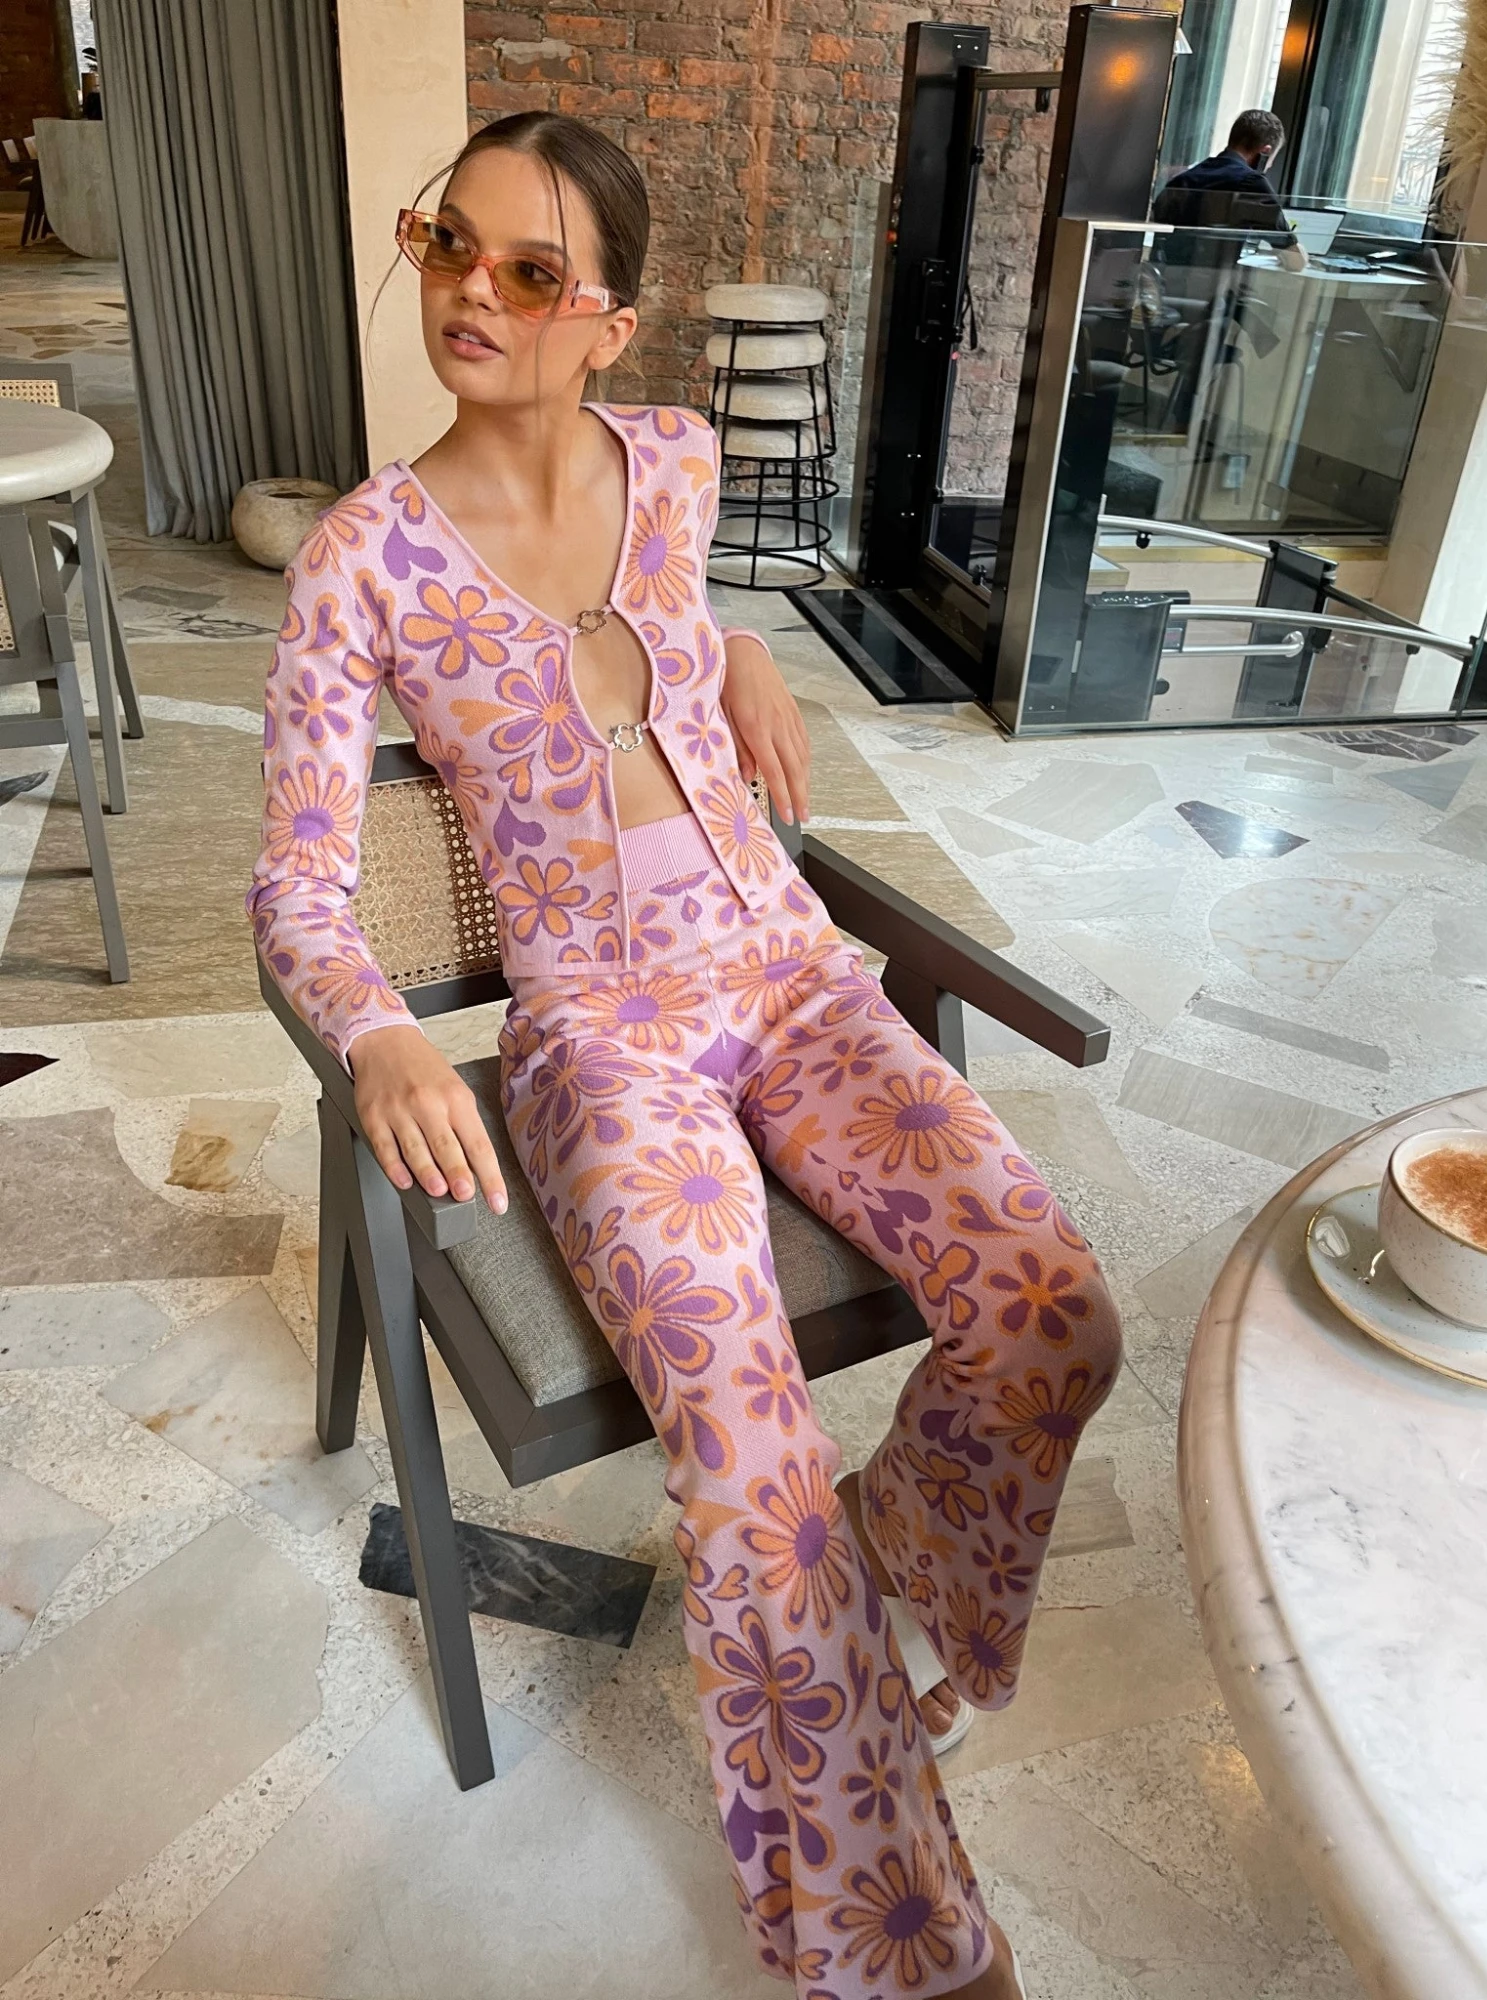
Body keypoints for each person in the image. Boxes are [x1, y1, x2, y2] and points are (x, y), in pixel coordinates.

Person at [248, 110, 1122, 2000]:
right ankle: (894, 1951)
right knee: (748, 1472)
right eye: (447, 241)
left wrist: (739, 649)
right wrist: (380, 1032)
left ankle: (903, 1555)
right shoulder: (359, 562)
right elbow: (298, 882)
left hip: (796, 978)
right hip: (601, 1044)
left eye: (532, 271)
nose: (472, 291)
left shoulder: (680, 459)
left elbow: (664, 610)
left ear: (609, 322)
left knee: (1055, 1312)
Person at [1152, 107, 1308, 271]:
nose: (1270, 165)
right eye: (1272, 159)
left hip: (1167, 279)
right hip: (1212, 282)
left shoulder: (1183, 179)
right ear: (1266, 151)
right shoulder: (1252, 184)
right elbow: (1296, 262)